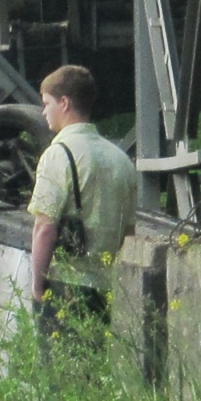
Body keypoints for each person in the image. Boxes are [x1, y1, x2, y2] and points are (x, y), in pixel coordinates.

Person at [26, 64, 140, 331]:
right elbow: (129, 233)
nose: (43, 112)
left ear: (64, 103)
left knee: (60, 368)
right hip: (106, 288)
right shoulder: (121, 160)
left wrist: (36, 282)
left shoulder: (58, 155)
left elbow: (44, 228)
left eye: (46, 103)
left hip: (65, 282)